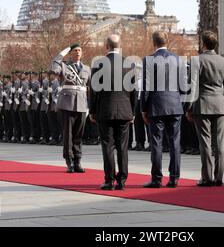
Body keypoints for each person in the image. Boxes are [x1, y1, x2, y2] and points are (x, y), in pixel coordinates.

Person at [90, 35, 135, 190]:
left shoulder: (99, 64)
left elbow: (94, 91)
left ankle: (109, 180)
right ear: (119, 45)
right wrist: (132, 111)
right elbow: (133, 91)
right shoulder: (129, 64)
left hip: (105, 111)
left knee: (107, 145)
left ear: (106, 46)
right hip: (124, 110)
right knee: (122, 147)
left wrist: (93, 111)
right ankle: (122, 180)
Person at [186, 31, 224, 187]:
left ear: (202, 44)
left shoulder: (197, 60)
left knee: (205, 143)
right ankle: (219, 177)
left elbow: (193, 86)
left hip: (202, 104)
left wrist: (188, 106)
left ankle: (207, 177)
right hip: (220, 105)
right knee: (219, 142)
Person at [141, 32, 185, 188]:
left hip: (156, 105)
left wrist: (143, 109)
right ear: (167, 41)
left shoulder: (148, 60)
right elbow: (183, 87)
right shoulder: (178, 60)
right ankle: (174, 178)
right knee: (175, 143)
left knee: (156, 144)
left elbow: (145, 87)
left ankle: (157, 178)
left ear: (154, 42)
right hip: (174, 104)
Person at [51, 43, 91, 173]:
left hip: (81, 104)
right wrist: (60, 55)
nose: (78, 52)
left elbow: (90, 89)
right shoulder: (64, 66)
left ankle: (78, 160)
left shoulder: (87, 69)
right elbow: (53, 69)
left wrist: (90, 106)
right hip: (67, 104)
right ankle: (69, 161)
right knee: (68, 134)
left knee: (78, 135)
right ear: (70, 53)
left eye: (80, 50)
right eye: (75, 50)